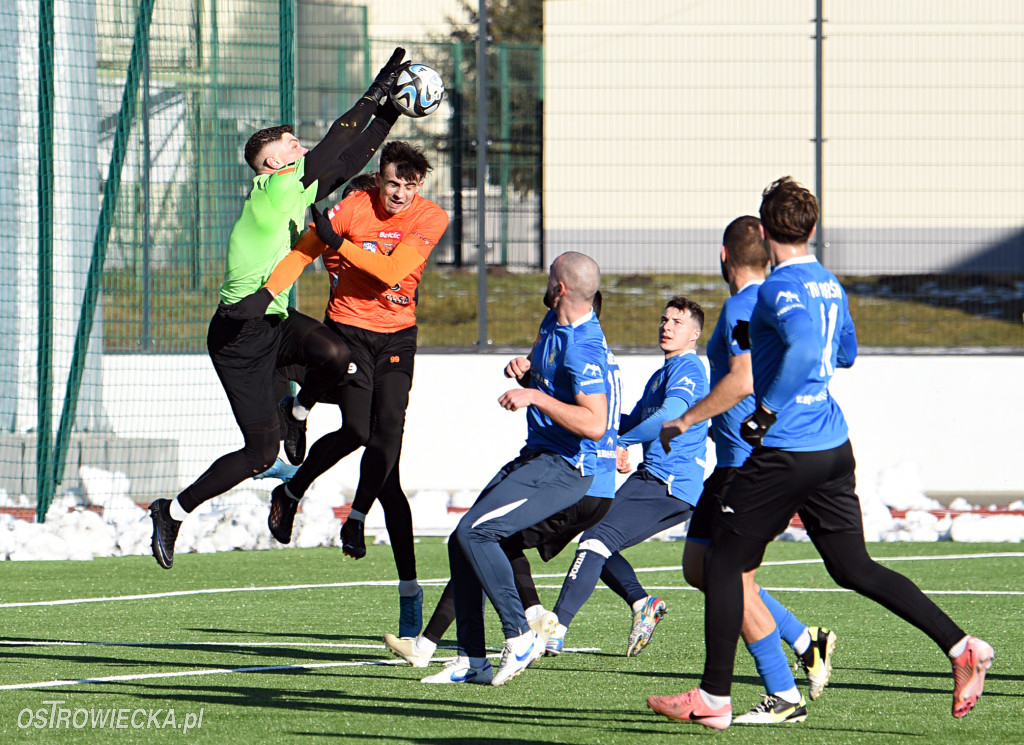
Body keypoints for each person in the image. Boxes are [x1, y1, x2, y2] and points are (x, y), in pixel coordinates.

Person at [647, 177, 994, 730]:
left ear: (765, 231)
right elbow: (845, 351)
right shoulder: (828, 283)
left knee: (723, 564)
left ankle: (716, 696)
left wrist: (768, 408)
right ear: (812, 228)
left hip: (788, 450)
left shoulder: (777, 289)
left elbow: (807, 346)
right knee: (852, 566)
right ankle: (960, 647)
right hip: (833, 444)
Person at [148, 48, 410, 570]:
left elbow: (350, 158)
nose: (300, 144)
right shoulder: (274, 188)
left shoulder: (295, 187)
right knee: (258, 456)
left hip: (274, 320)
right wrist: (377, 92)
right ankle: (172, 511)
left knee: (335, 353)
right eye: (290, 143)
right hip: (237, 335)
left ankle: (298, 411)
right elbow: (340, 137)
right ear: (275, 162)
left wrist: (392, 110)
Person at [240, 141, 448, 639]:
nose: (399, 194)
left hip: (397, 338)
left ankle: (380, 555)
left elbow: (394, 271)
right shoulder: (352, 209)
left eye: (409, 185)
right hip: (349, 333)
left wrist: (340, 243)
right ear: (378, 178)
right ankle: (297, 472)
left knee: (388, 451)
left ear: (420, 186)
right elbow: (304, 249)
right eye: (392, 183)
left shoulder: (430, 217)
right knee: (358, 431)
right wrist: (264, 296)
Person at [383, 291, 621, 669]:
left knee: (481, 536)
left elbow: (595, 421)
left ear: (566, 293)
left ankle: (524, 627)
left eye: (674, 322)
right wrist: (529, 375)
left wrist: (534, 396)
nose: (665, 327)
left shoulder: (583, 348)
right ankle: (466, 652)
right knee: (474, 536)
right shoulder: (557, 331)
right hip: (551, 464)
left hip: (575, 478)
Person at [658, 215, 834, 724]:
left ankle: (782, 691)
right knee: (701, 568)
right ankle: (806, 642)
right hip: (732, 461)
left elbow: (743, 379)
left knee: (731, 577)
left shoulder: (747, 303)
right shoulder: (771, 300)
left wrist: (686, 419)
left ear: (723, 255)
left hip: (750, 465)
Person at [544, 296, 709, 658]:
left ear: (695, 334)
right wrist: (591, 426)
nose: (666, 326)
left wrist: (620, 441)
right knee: (595, 543)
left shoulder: (689, 370)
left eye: (677, 323)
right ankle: (641, 603)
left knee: (594, 543)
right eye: (664, 319)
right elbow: (633, 420)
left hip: (669, 483)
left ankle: (554, 629)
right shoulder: (661, 374)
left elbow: (670, 416)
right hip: (654, 478)